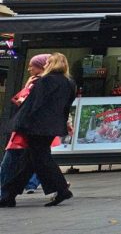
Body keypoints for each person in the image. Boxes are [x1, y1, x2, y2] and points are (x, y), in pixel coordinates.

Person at [0, 53, 77, 208]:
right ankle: (9, 195)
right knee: (30, 159)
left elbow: (32, 104)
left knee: (40, 158)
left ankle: (61, 188)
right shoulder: (69, 82)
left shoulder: (45, 81)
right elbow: (67, 105)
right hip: (52, 126)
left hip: (36, 126)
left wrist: (20, 123)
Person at [0, 54, 54, 198]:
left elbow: (21, 101)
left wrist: (26, 86)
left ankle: (5, 192)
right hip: (36, 128)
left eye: (32, 66)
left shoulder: (38, 82)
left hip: (27, 127)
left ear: (41, 66)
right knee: (35, 158)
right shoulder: (48, 82)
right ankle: (55, 185)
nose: (29, 68)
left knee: (11, 159)